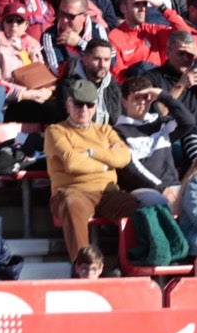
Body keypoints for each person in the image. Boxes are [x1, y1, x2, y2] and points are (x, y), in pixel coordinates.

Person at [44, 77, 143, 263]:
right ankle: (83, 267)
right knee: (71, 205)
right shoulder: (55, 131)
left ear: (95, 107)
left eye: (89, 105)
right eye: (78, 104)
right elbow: (72, 163)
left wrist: (92, 153)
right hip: (72, 190)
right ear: (68, 105)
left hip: (107, 192)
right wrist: (106, 163)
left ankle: (131, 264)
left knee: (137, 209)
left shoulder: (105, 130)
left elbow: (124, 158)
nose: (84, 109)